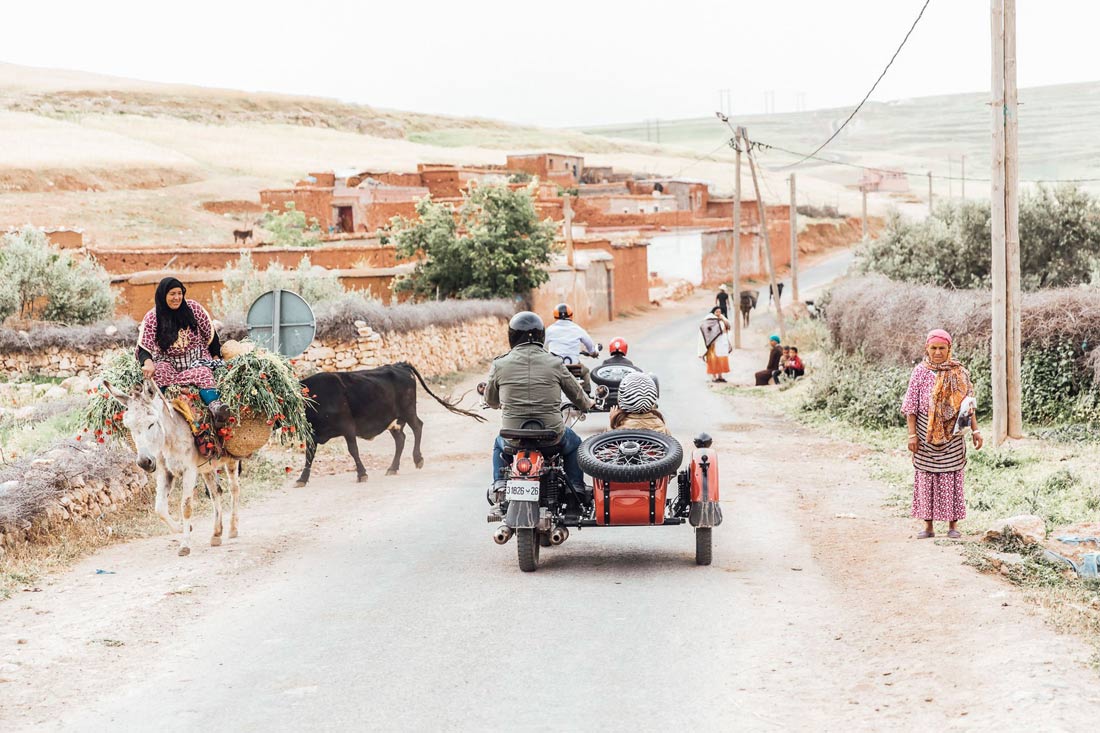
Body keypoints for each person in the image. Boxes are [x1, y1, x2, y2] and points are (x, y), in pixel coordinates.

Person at [485, 311, 593, 494]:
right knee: (575, 442)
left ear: (512, 336)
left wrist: (498, 404)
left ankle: (500, 484)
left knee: (498, 443)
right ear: (541, 336)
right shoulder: (555, 363)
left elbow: (491, 400)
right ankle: (575, 487)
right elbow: (577, 395)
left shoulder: (500, 365)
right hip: (552, 437)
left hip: (513, 437)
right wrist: (587, 405)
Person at [902, 329, 983, 539]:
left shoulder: (959, 372)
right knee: (926, 476)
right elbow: (910, 406)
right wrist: (912, 436)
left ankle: (952, 526)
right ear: (926, 349)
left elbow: (968, 405)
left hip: (953, 436)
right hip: (925, 435)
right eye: (933, 348)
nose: (938, 352)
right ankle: (928, 527)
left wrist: (976, 430)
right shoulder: (920, 372)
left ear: (949, 349)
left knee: (952, 476)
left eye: (942, 348)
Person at [136, 277, 229, 425]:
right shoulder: (152, 318)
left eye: (180, 293)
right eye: (172, 294)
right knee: (159, 372)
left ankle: (216, 409)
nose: (177, 297)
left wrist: (216, 358)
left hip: (196, 360)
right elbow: (144, 347)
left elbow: (211, 336)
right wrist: (148, 363)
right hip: (168, 362)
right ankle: (155, 410)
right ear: (163, 295)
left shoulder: (194, 309)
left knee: (204, 372)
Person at [544, 303, 597, 393]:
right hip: (574, 368)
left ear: (555, 316)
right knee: (586, 371)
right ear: (571, 315)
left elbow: (542, 347)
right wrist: (593, 352)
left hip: (555, 367)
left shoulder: (549, 330)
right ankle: (587, 398)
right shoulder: (577, 329)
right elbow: (590, 346)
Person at [697, 306, 731, 383]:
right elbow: (706, 331)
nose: (718, 313)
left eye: (720, 312)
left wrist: (723, 319)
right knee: (713, 360)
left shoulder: (722, 319)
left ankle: (720, 376)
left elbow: (728, 327)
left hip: (721, 344)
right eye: (717, 312)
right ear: (713, 312)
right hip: (713, 345)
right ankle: (714, 377)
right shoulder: (709, 320)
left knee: (721, 360)